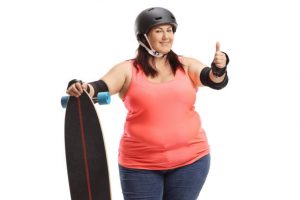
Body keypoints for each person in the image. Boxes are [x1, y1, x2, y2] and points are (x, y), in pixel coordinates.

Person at [66, 7, 229, 200]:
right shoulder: (127, 70)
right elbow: (98, 87)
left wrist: (219, 69)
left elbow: (213, 80)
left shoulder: (186, 65)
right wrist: (80, 88)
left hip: (191, 161)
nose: (166, 36)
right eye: (159, 31)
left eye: (169, 30)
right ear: (143, 37)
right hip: (140, 166)